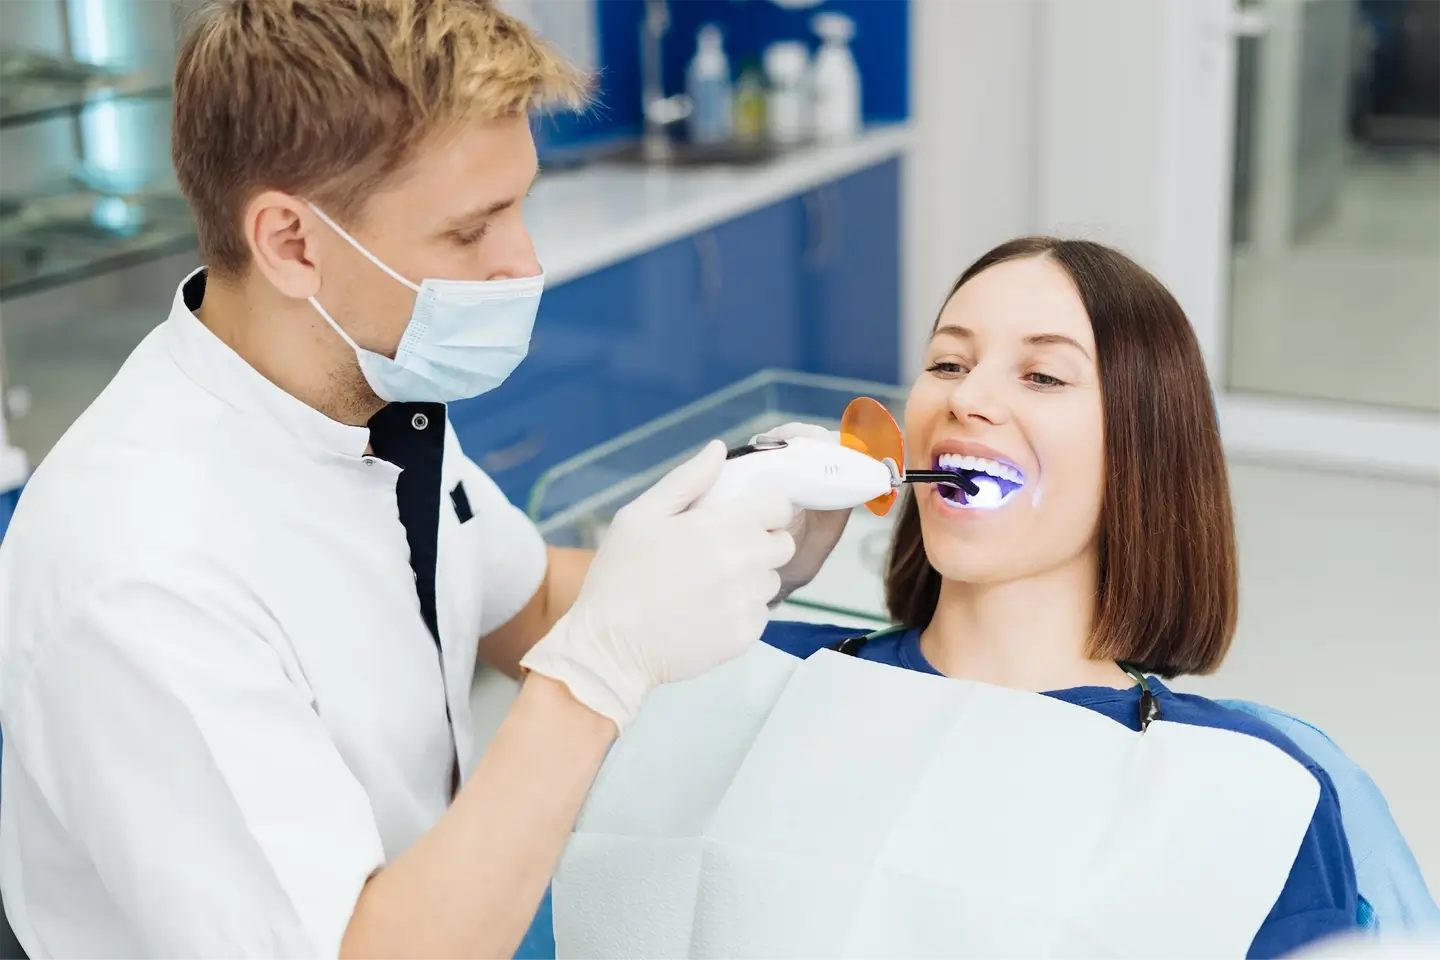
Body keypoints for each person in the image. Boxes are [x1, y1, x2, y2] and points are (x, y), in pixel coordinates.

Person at [0, 3, 849, 958]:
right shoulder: (140, 575)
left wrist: (740, 551)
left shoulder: (364, 395)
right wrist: (597, 674)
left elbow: (524, 605)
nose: (522, 263)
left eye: (521, 204)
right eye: (470, 230)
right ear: (290, 242)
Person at [554, 237, 1363, 960]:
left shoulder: (1248, 787)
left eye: (1043, 374)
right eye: (947, 362)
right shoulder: (735, 663)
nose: (965, 399)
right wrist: (717, 581)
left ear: (1145, 449)